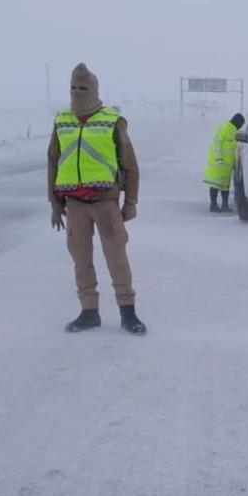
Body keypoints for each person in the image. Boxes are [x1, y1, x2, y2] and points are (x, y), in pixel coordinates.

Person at [48, 63, 146, 335]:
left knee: (117, 259)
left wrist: (131, 202)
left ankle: (128, 313)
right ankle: (88, 312)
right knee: (81, 260)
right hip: (75, 205)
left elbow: (130, 165)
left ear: (94, 89)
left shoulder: (112, 121)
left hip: (106, 203)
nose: (78, 92)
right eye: (73, 87)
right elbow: (53, 163)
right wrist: (55, 204)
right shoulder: (62, 121)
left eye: (83, 87)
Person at [203, 113, 246, 212]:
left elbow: (234, 148)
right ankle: (213, 205)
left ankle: (225, 205)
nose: (241, 127)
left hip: (227, 166)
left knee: (225, 187)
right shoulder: (224, 128)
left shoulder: (234, 131)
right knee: (215, 185)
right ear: (237, 122)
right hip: (218, 164)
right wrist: (219, 158)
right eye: (241, 124)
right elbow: (216, 143)